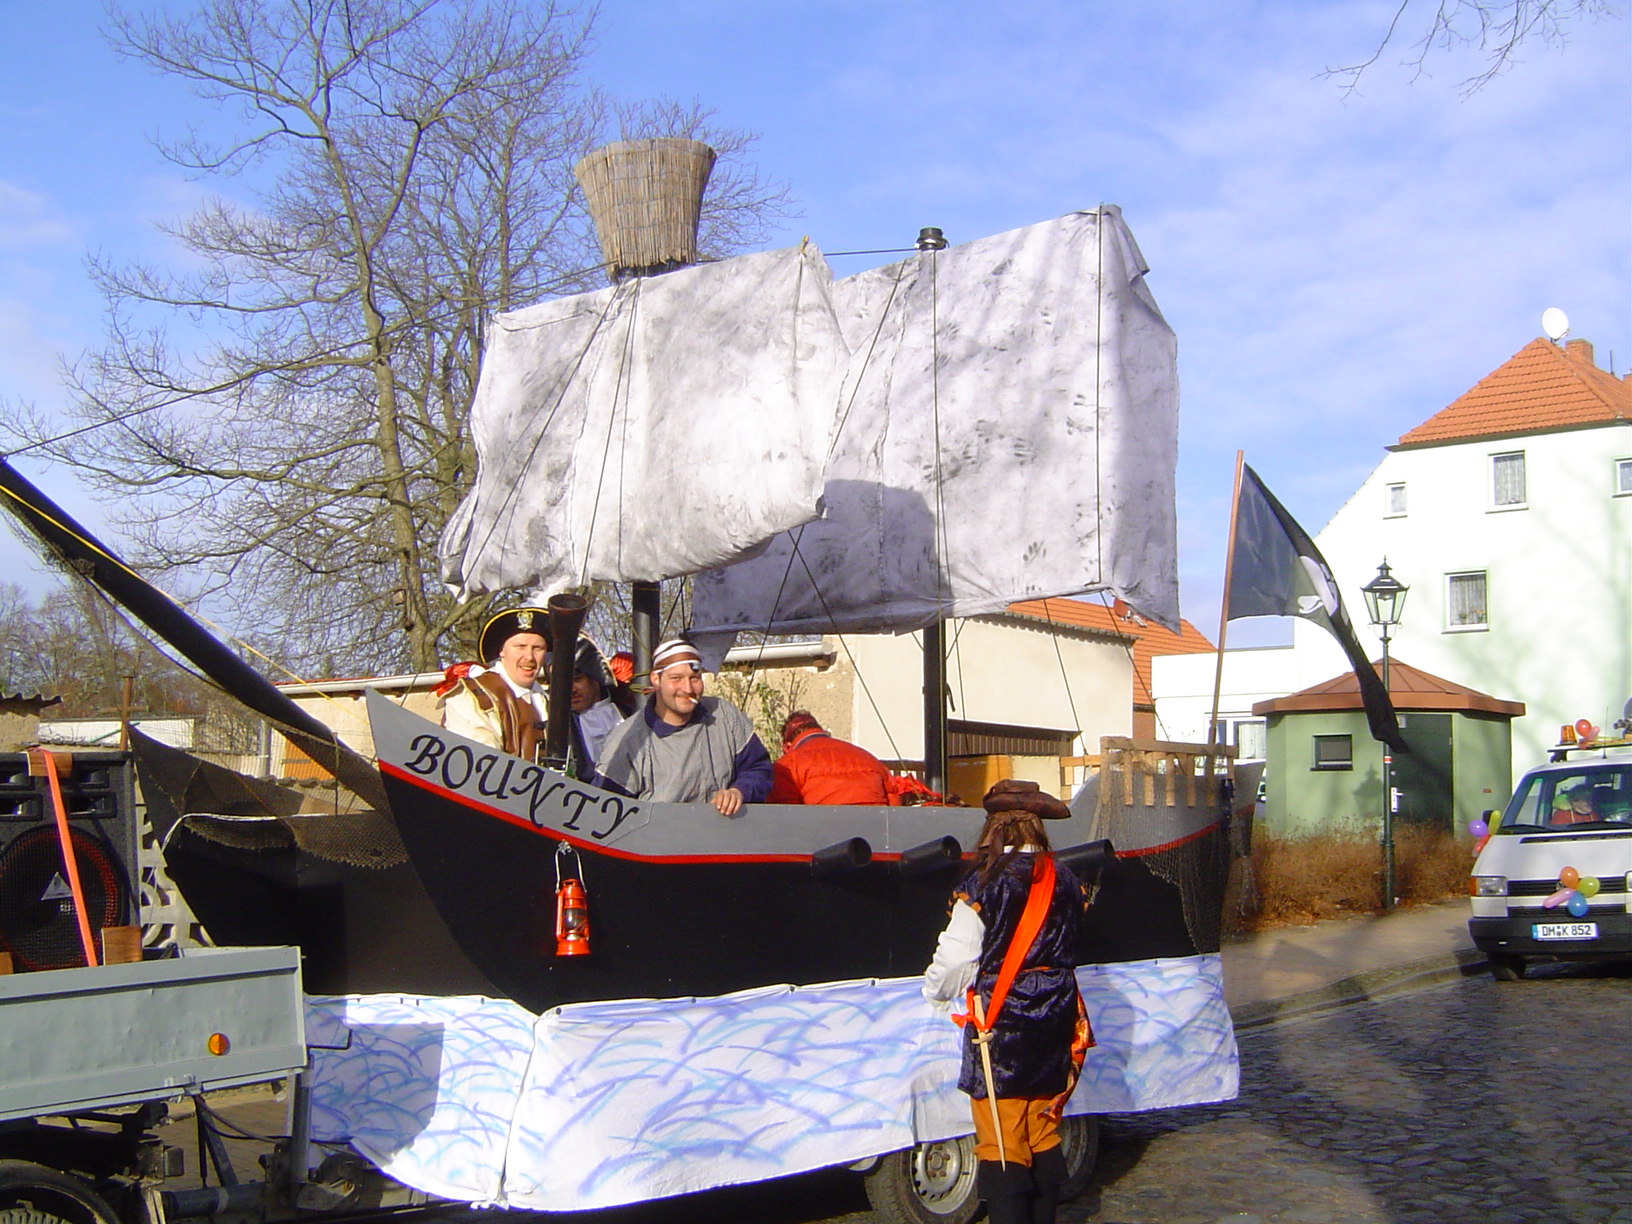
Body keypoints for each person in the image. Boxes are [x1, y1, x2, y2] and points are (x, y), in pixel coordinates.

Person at [922, 779, 1092, 1224]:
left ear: (993, 828)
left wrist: (934, 992)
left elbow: (956, 960)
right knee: (1042, 1129)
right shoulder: (1068, 879)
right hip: (1056, 1016)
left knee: (1001, 1139)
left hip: (1004, 1022)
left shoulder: (984, 882)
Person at [593, 638, 774, 814]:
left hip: (724, 833)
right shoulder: (627, 740)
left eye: (695, 678)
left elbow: (759, 768)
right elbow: (604, 812)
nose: (688, 689)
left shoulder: (725, 716)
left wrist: (739, 791)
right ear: (656, 679)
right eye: (676, 678)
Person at [436, 607, 551, 760]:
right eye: (520, 647)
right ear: (502, 651)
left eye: (537, 648)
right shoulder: (472, 696)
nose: (529, 657)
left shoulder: (549, 701)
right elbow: (480, 763)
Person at [766, 710, 892, 805]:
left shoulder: (788, 764)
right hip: (875, 828)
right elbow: (893, 795)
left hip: (823, 829)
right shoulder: (867, 757)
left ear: (787, 746)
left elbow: (786, 814)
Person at [569, 635, 627, 774]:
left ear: (595, 677)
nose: (571, 689)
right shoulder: (562, 727)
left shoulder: (629, 714)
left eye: (577, 679)